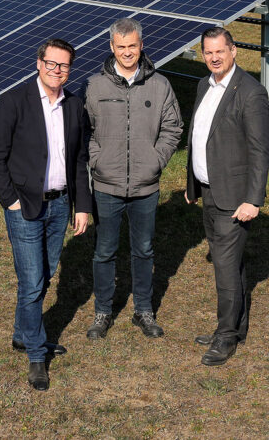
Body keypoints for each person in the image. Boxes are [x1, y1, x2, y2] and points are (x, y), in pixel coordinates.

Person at [0, 38, 93, 391]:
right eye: (51, 64)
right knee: (31, 282)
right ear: (38, 63)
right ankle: (35, 355)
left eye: (64, 66)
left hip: (60, 205)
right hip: (26, 207)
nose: (57, 71)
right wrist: (10, 201)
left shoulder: (74, 106)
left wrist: (83, 205)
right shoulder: (14, 103)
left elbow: (78, 159)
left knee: (44, 276)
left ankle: (22, 333)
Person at [84, 18, 183, 340]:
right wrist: (97, 160)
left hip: (145, 185)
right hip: (106, 185)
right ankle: (103, 312)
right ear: (111, 47)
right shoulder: (95, 86)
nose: (127, 52)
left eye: (133, 46)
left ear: (142, 46)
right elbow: (84, 131)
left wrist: (156, 161)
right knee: (104, 251)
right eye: (121, 47)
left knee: (143, 250)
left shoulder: (160, 85)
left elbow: (173, 128)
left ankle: (143, 310)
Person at [185, 26, 269, 366]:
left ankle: (226, 337)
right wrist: (193, 183)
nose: (214, 57)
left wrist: (254, 199)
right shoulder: (203, 85)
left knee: (224, 268)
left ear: (234, 51)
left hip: (235, 198)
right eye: (208, 52)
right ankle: (237, 327)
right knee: (231, 265)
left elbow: (260, 150)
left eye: (220, 51)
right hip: (209, 191)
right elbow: (200, 135)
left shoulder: (250, 92)